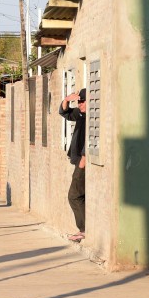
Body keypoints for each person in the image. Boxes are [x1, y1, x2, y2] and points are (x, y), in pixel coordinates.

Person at [60, 88, 87, 242]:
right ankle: (85, 229)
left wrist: (83, 161)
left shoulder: (94, 117)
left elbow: (91, 139)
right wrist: (66, 100)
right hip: (79, 161)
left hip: (83, 162)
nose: (79, 104)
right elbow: (65, 113)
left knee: (74, 195)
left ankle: (84, 230)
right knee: (80, 195)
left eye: (82, 101)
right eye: (78, 101)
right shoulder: (81, 114)